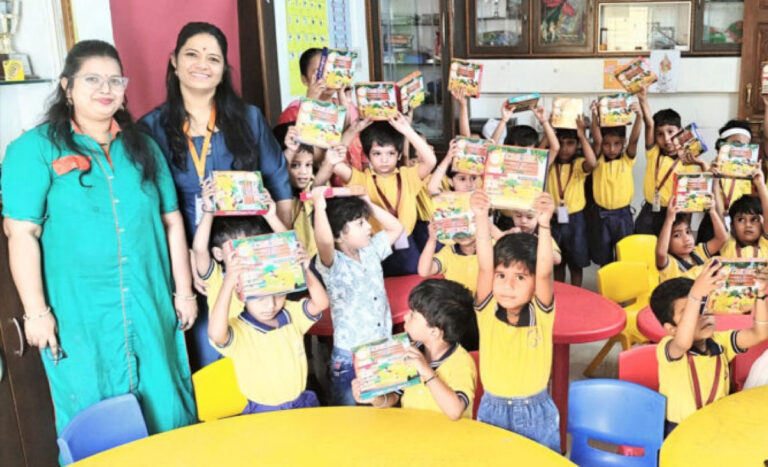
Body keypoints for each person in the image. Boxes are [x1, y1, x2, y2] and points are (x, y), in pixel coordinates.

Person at [1, 40, 197, 435]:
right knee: (94, 416)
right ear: (67, 86)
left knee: (165, 407)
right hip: (80, 315)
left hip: (149, 303)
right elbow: (20, 232)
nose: (105, 88)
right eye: (92, 78)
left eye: (114, 80)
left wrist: (184, 291)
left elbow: (172, 220)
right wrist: (37, 312)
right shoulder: (34, 149)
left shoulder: (143, 147)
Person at [140, 22, 292, 369]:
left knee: (257, 350)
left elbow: (280, 187)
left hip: (248, 256)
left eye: (214, 58)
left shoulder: (249, 119)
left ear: (223, 70)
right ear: (174, 61)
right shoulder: (150, 128)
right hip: (182, 256)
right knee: (206, 351)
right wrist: (183, 272)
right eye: (192, 55)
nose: (202, 65)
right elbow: (150, 206)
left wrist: (281, 253)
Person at [470, 190, 560, 452]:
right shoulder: (487, 311)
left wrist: (544, 224)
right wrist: (480, 217)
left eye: (520, 277)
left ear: (534, 285)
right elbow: (486, 266)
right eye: (502, 276)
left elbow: (544, 272)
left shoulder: (541, 315)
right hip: (491, 408)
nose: (507, 285)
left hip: (534, 410)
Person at [207, 229, 328, 413]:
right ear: (241, 294)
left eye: (278, 296)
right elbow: (216, 334)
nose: (270, 305)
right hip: (263, 411)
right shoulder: (240, 329)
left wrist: (306, 270)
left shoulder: (290, 313)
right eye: (260, 298)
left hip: (301, 403)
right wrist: (229, 282)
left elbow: (321, 303)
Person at [312, 189, 405, 405]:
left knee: (383, 413)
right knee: (349, 421)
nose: (370, 227)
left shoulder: (371, 250)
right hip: (349, 358)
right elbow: (324, 242)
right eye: (361, 223)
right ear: (338, 235)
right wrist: (319, 205)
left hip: (382, 349)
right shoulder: (332, 263)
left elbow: (396, 228)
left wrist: (367, 203)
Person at [650, 266, 768, 435]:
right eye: (690, 311)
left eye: (705, 305)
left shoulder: (721, 342)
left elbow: (760, 333)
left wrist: (761, 294)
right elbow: (683, 343)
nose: (703, 314)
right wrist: (695, 296)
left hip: (718, 423)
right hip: (681, 431)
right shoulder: (669, 347)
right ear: (672, 329)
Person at [351, 279, 477, 420]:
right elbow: (394, 398)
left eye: (413, 315)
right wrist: (375, 398)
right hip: (413, 434)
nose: (405, 317)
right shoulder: (411, 350)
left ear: (434, 332)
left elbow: (455, 411)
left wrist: (426, 371)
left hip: (449, 439)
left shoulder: (461, 362)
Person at [332, 116, 437, 276]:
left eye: (390, 153)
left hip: (406, 245)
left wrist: (407, 131)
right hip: (374, 246)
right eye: (377, 153)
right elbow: (335, 162)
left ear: (399, 155)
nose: (384, 159)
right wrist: (352, 131)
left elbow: (430, 160)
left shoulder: (408, 176)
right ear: (367, 156)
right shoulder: (361, 178)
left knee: (411, 289)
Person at [635, 87, 705, 235]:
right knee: (645, 248)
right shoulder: (653, 153)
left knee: (670, 252)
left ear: (680, 131)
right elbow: (649, 124)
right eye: (660, 134)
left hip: (676, 213)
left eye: (670, 132)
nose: (666, 139)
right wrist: (643, 99)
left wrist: (686, 224)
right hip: (650, 211)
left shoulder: (688, 159)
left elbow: (690, 198)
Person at [588, 99, 643, 266]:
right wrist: (594, 115)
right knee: (604, 257)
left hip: (623, 216)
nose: (611, 149)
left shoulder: (627, 160)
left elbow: (634, 140)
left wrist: (639, 115)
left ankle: (623, 290)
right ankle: (605, 290)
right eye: (607, 144)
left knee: (624, 255)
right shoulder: (598, 161)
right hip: (601, 215)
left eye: (617, 144)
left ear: (623, 143)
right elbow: (597, 140)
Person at [547, 117, 596, 287]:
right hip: (553, 219)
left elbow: (593, 163)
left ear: (577, 146)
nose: (565, 148)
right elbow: (537, 158)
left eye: (570, 143)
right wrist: (549, 130)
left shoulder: (578, 165)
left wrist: (582, 136)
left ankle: (577, 293)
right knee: (557, 261)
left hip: (575, 220)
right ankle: (561, 293)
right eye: (561, 143)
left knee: (576, 262)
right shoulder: (550, 165)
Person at [697, 121, 754, 243]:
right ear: (721, 144)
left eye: (745, 146)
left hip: (737, 227)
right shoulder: (707, 168)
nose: (741, 150)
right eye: (736, 144)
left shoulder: (748, 173)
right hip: (712, 225)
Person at [655, 198, 727, 283]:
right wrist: (669, 221)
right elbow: (661, 253)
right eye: (677, 235)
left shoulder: (698, 252)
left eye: (688, 232)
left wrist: (713, 212)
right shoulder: (670, 263)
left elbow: (722, 238)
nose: (686, 238)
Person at [718, 171, 768, 258]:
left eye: (754, 219)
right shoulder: (727, 245)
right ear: (732, 226)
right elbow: (719, 217)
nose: (748, 225)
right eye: (741, 219)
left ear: (763, 224)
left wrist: (760, 185)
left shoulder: (765, 246)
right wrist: (714, 182)